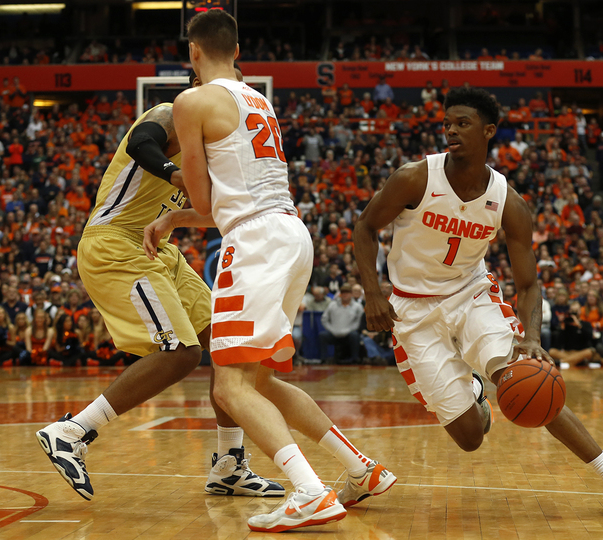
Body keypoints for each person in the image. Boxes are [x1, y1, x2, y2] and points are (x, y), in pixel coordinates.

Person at [143, 10, 395, 532]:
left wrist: (172, 213)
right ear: (236, 50)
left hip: (254, 241)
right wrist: (175, 219)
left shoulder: (191, 102)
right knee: (263, 380)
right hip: (289, 233)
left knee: (228, 387)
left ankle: (309, 492)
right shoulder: (258, 99)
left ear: (193, 53)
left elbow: (205, 202)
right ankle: (360, 469)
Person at [353, 86, 603, 516]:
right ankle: (474, 391)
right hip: (411, 308)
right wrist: (373, 293)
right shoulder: (414, 177)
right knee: (470, 437)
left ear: (488, 131)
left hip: (472, 296)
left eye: (462, 123)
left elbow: (529, 285)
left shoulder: (508, 201)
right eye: (447, 123)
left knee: (530, 380)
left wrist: (532, 338)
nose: (450, 130)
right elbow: (364, 228)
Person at [35, 65, 282, 501]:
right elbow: (140, 142)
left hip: (160, 248)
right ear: (198, 87)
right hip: (115, 243)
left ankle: (229, 465)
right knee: (181, 353)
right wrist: (173, 174)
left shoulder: (216, 147)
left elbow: (210, 213)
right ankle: (72, 431)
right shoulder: (170, 112)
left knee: (228, 347)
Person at [319, 283, 364, 364]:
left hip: (349, 334)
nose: (345, 295)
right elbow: (324, 319)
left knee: (355, 336)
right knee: (322, 336)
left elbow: (358, 321)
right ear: (340, 294)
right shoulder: (332, 305)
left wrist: (349, 330)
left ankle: (355, 359)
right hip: (334, 333)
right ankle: (323, 359)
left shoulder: (358, 306)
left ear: (351, 294)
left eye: (347, 293)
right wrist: (331, 329)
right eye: (343, 293)